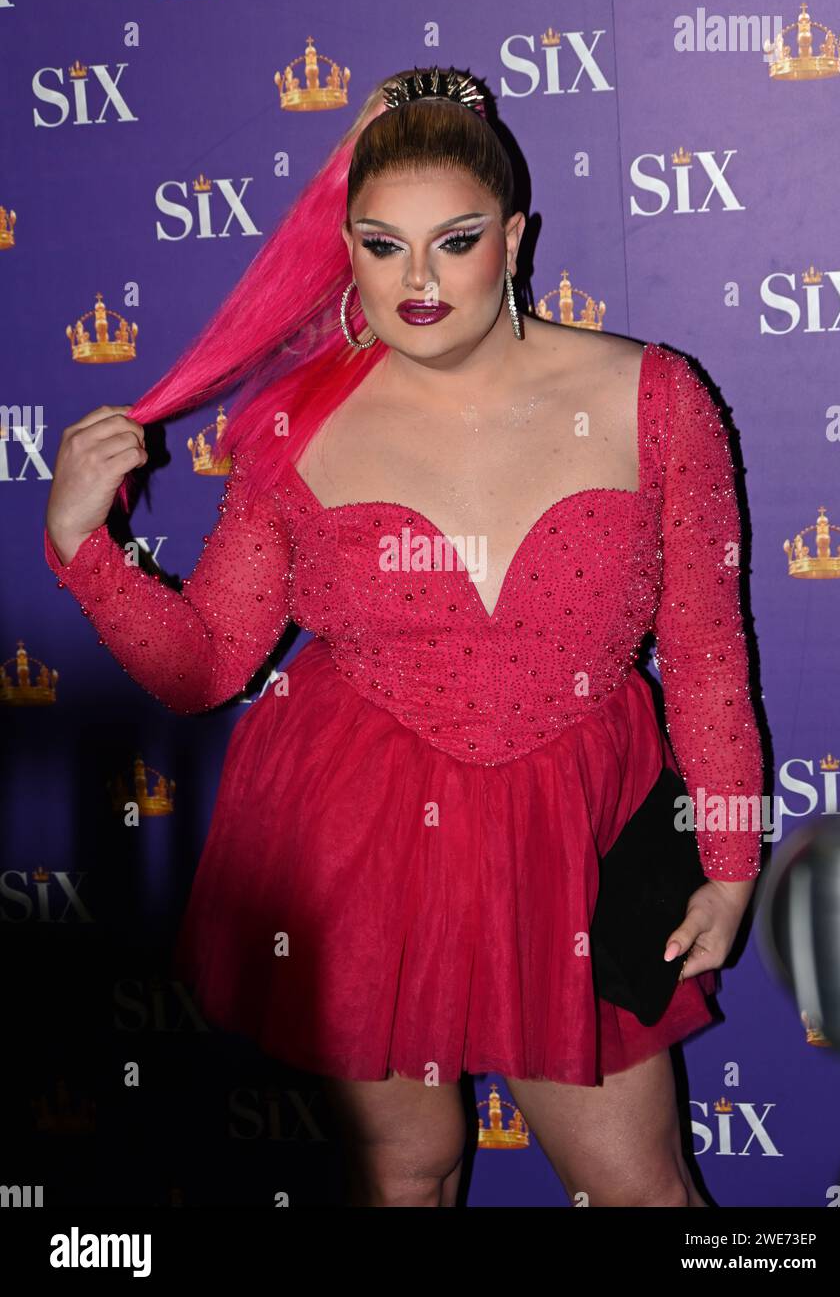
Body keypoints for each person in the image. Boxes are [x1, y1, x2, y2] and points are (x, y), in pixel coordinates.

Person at [43, 65, 765, 1208]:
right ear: (347, 251)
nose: (417, 279)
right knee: (404, 1169)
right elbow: (204, 667)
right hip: (361, 834)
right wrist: (87, 547)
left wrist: (728, 863)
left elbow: (709, 659)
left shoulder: (654, 398)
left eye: (455, 239)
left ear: (515, 238)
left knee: (640, 1188)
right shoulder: (291, 426)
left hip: (572, 838)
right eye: (383, 246)